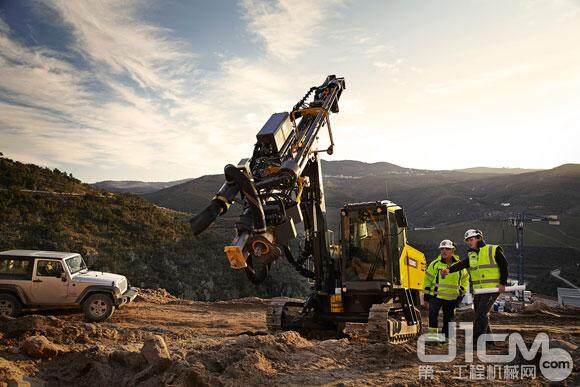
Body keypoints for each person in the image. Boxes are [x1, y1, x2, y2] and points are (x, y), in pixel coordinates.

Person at [440, 229, 509, 346]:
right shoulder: (472, 255)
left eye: (471, 240)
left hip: (493, 288)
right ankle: (489, 341)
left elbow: (504, 265)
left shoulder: (492, 249)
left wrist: (503, 283)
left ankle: (477, 342)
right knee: (481, 314)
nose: (469, 242)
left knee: (480, 315)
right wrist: (449, 270)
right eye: (468, 241)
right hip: (479, 290)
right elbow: (462, 264)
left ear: (479, 238)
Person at [423, 239, 469, 341]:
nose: (444, 251)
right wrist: (426, 298)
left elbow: (465, 280)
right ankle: (433, 339)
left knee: (448, 320)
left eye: (447, 249)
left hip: (452, 298)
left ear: (452, 251)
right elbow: (427, 280)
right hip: (435, 297)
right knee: (432, 317)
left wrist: (461, 294)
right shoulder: (434, 264)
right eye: (442, 249)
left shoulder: (460, 266)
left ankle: (446, 340)